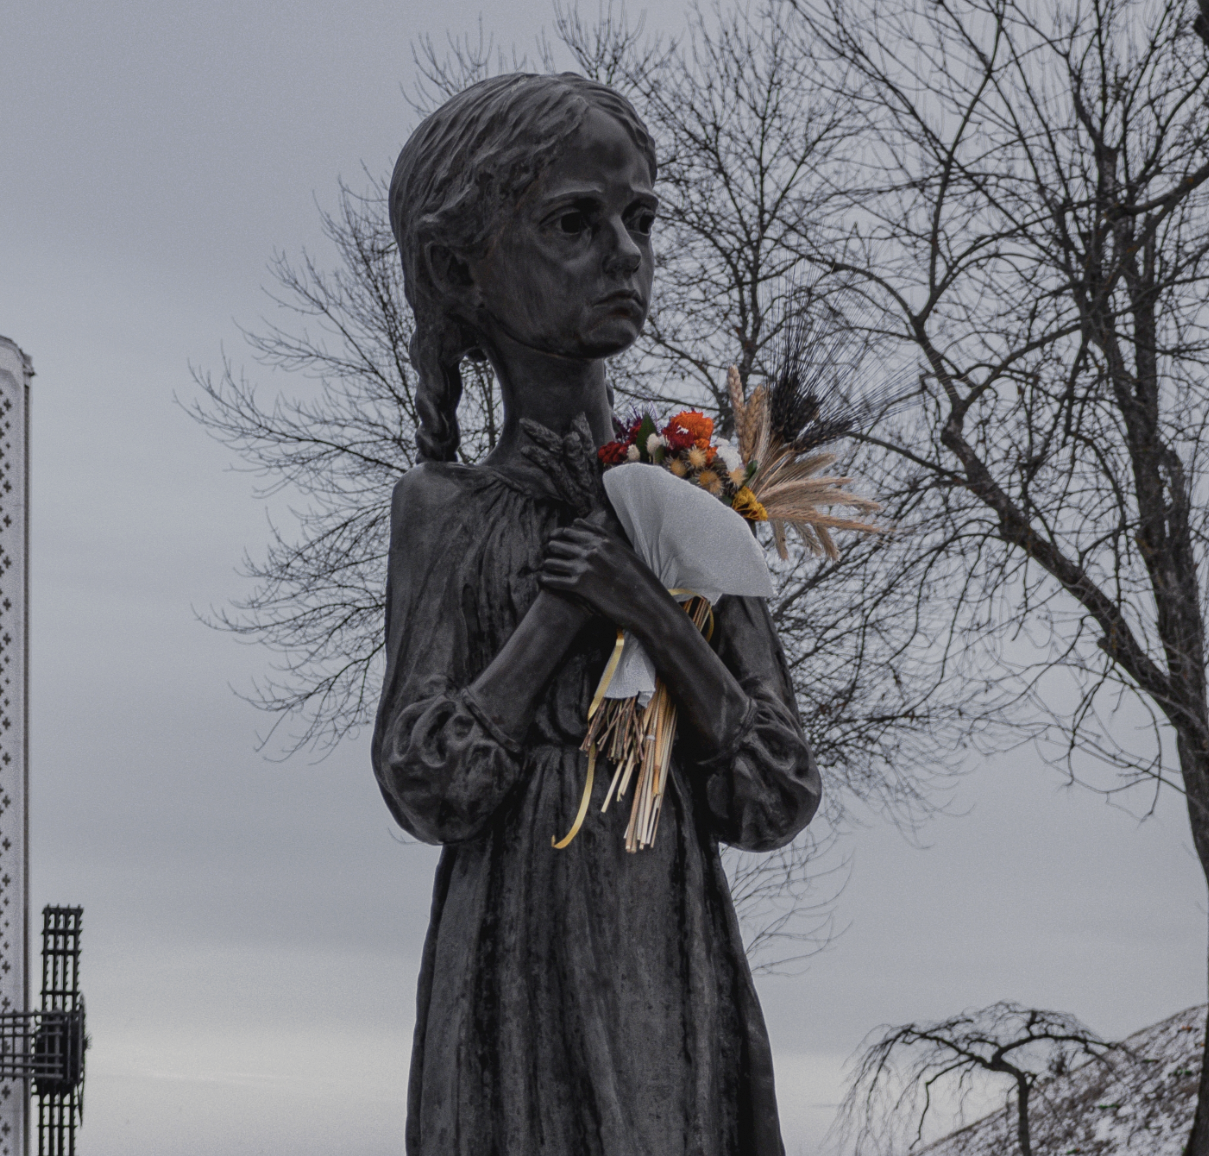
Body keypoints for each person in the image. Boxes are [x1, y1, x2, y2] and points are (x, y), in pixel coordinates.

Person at [374, 72, 822, 1156]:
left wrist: (651, 613)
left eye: (639, 219)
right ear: (458, 265)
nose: (621, 251)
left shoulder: (691, 496)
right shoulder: (442, 510)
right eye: (574, 222)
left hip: (661, 933)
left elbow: (774, 790)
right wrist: (558, 617)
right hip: (509, 949)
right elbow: (426, 780)